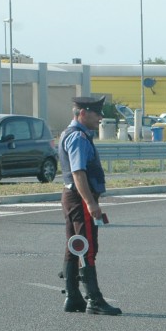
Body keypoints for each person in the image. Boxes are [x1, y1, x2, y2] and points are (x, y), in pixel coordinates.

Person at [60, 95, 122, 316]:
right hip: (80, 197)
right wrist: (90, 202)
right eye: (97, 114)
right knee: (87, 247)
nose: (101, 118)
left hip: (72, 196)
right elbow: (78, 172)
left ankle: (73, 296)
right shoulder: (78, 137)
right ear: (83, 113)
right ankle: (93, 299)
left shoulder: (75, 134)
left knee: (74, 245)